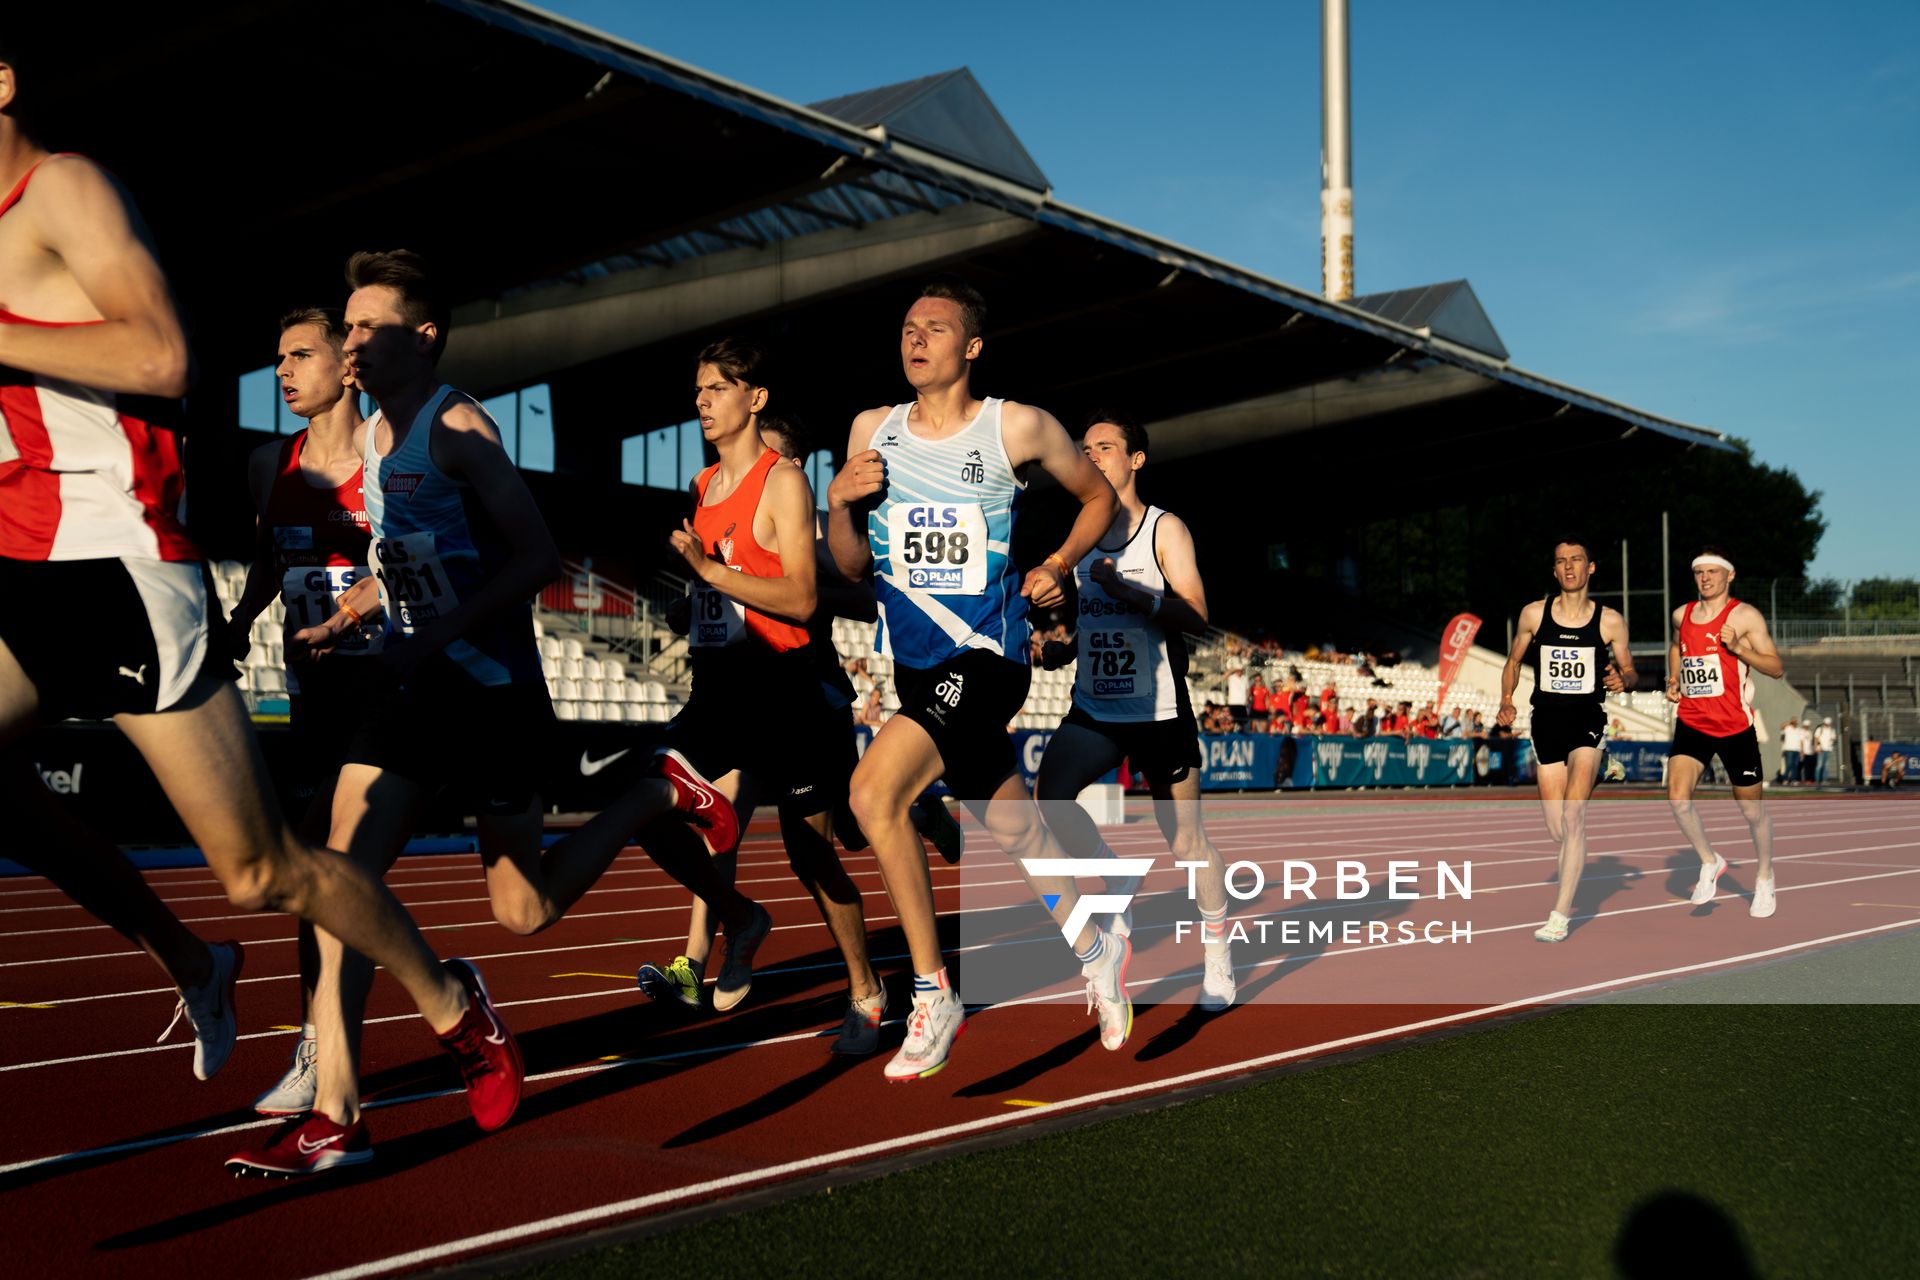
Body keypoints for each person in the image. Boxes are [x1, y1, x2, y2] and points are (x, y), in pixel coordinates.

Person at [0, 43, 519, 1144]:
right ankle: (189, 957)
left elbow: (162, 354)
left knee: (260, 868)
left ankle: (445, 997)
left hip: (115, 564)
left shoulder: (61, 188)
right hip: (18, 561)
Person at [227, 252, 724, 1175]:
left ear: (420, 338)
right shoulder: (376, 438)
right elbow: (408, 560)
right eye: (349, 326)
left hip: (493, 695)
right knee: (337, 877)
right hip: (410, 691)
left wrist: (435, 631)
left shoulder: (457, 427)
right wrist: (352, 615)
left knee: (524, 910)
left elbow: (536, 557)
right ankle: (340, 1112)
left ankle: (652, 793)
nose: (352, 344)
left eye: (368, 326)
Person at [826, 280, 1118, 1080]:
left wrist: (1058, 565)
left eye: (935, 328)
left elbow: (1097, 498)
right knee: (1018, 831)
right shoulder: (870, 430)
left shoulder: (1015, 426)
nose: (915, 339)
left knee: (872, 793)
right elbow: (849, 566)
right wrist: (838, 506)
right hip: (915, 668)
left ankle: (932, 992)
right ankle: (1096, 943)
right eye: (907, 328)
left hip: (989, 659)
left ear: (972, 347)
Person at [221, 307, 385, 1111]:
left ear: (347, 368)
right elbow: (265, 561)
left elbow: (423, 567)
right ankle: (318, 1046)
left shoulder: (387, 457)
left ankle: (330, 1056)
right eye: (276, 358)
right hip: (310, 698)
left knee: (339, 869)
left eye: (300, 356)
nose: (283, 372)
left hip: (388, 695)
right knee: (313, 878)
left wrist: (355, 613)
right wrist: (239, 624)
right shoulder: (267, 465)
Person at [1034, 412, 1234, 1011]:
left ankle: (1218, 950)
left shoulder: (1163, 529)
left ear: (1135, 459)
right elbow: (1080, 624)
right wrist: (1058, 646)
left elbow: (1196, 615)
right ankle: (1116, 876)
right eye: (1084, 448)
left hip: (1159, 712)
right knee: (1049, 796)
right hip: (1095, 706)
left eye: (1105, 447)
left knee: (1187, 841)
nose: (1091, 456)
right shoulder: (1081, 533)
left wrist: (1132, 592)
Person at [1499, 538, 1635, 943]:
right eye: (1561, 562)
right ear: (1554, 571)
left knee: (1575, 819)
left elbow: (1630, 671)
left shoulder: (1609, 621)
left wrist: (1622, 680)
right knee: (1557, 829)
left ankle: (1560, 915)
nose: (1569, 567)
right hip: (1546, 722)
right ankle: (1604, 768)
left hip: (1587, 720)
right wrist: (1506, 701)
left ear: (1590, 568)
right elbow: (1514, 661)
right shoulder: (1534, 614)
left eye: (1577, 560)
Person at [1665, 547, 1784, 919]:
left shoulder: (1745, 616)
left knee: (1752, 811)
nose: (1705, 578)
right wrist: (1674, 677)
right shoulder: (1681, 614)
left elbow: (1776, 667)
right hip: (1693, 720)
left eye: (1713, 572)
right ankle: (1709, 860)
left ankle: (1764, 875)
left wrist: (1737, 649)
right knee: (1677, 798)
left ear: (1729, 576)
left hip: (1734, 726)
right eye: (1699, 572)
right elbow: (1675, 647)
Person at [1813, 716, 1836, 785]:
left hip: (1828, 749)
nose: (1828, 724)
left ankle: (1824, 780)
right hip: (1821, 749)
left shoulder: (1832, 730)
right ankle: (1817, 780)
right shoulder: (1820, 729)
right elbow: (1816, 738)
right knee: (1819, 765)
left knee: (1826, 766)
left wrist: (1832, 740)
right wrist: (1815, 747)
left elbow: (1834, 738)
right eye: (1827, 723)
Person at [1778, 718, 1802, 787]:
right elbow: (1781, 726)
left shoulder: (1798, 730)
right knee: (1789, 765)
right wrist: (1789, 722)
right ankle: (1785, 779)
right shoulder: (1787, 728)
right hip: (1789, 749)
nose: (1795, 723)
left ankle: (1794, 780)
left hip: (1797, 750)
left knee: (1795, 766)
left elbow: (1801, 741)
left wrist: (1801, 751)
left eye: (1796, 722)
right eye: (1794, 722)